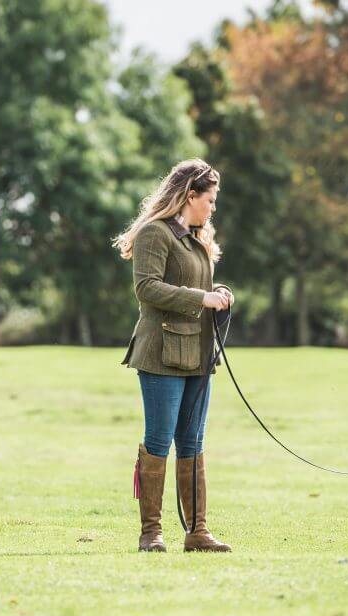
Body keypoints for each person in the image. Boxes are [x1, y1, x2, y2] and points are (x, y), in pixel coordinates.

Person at [112, 158, 235, 553]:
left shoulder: (198, 237)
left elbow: (190, 286)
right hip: (161, 353)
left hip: (198, 353)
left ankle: (197, 532)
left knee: (193, 442)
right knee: (158, 441)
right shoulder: (154, 233)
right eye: (210, 200)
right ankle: (151, 533)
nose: (213, 207)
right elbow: (147, 288)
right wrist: (203, 297)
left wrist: (218, 294)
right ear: (190, 195)